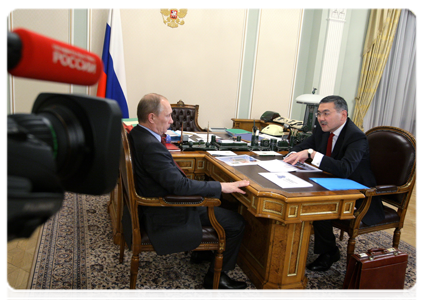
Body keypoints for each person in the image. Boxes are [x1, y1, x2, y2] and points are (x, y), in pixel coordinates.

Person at [128, 93, 250, 293]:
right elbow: (180, 187)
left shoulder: (137, 134)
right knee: (236, 222)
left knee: (213, 197)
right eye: (167, 116)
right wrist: (221, 187)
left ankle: (201, 254)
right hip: (166, 211)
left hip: (159, 200)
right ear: (151, 117)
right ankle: (216, 277)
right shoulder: (150, 147)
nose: (172, 121)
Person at [283, 95, 385, 272]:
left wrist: (312, 154)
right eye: (319, 113)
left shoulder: (356, 137)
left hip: (358, 192)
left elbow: (345, 169)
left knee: (315, 204)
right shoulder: (322, 129)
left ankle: (329, 253)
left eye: (326, 113)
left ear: (343, 115)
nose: (321, 118)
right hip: (332, 182)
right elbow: (303, 146)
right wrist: (291, 155)